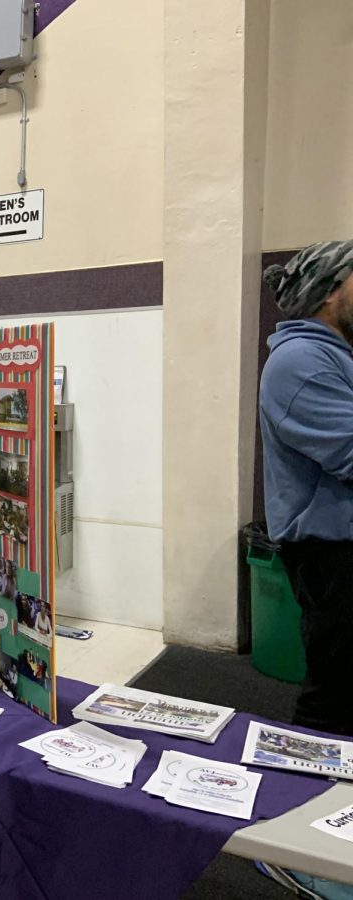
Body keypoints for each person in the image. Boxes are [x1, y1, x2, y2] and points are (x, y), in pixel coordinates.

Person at [260, 240, 353, 739]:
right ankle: (306, 801)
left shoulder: (336, 356)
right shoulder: (301, 363)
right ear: (329, 292)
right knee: (335, 698)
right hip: (335, 558)